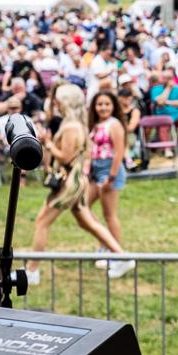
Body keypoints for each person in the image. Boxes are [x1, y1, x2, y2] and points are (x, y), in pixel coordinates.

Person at [24, 85, 134, 282]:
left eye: (58, 100)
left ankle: (32, 271)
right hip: (77, 181)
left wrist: (48, 143)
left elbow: (66, 157)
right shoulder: (77, 124)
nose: (55, 103)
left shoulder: (71, 127)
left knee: (42, 222)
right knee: (87, 222)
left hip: (68, 183)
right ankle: (122, 256)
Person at [86, 91, 129, 270]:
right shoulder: (96, 124)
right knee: (82, 206)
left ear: (113, 106)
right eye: (99, 104)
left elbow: (119, 152)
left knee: (109, 214)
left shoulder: (115, 124)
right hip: (95, 170)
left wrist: (111, 177)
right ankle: (105, 243)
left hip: (110, 169)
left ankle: (118, 256)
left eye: (107, 104)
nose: (103, 107)